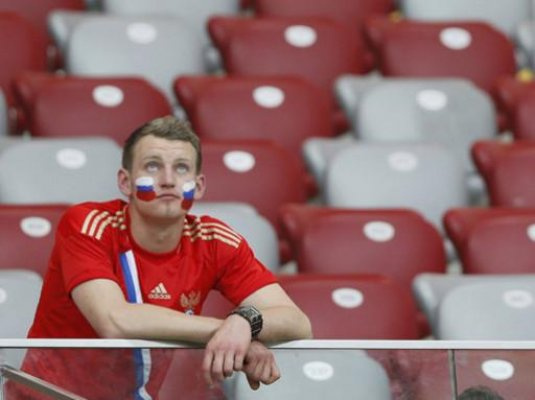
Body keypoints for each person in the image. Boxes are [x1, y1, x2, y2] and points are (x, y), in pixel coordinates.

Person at [8, 116, 312, 399]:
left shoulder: (215, 241)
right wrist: (229, 333)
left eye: (181, 168)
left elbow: (298, 322)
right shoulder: (88, 223)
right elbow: (114, 320)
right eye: (152, 166)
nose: (168, 180)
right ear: (125, 182)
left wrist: (245, 323)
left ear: (199, 186)